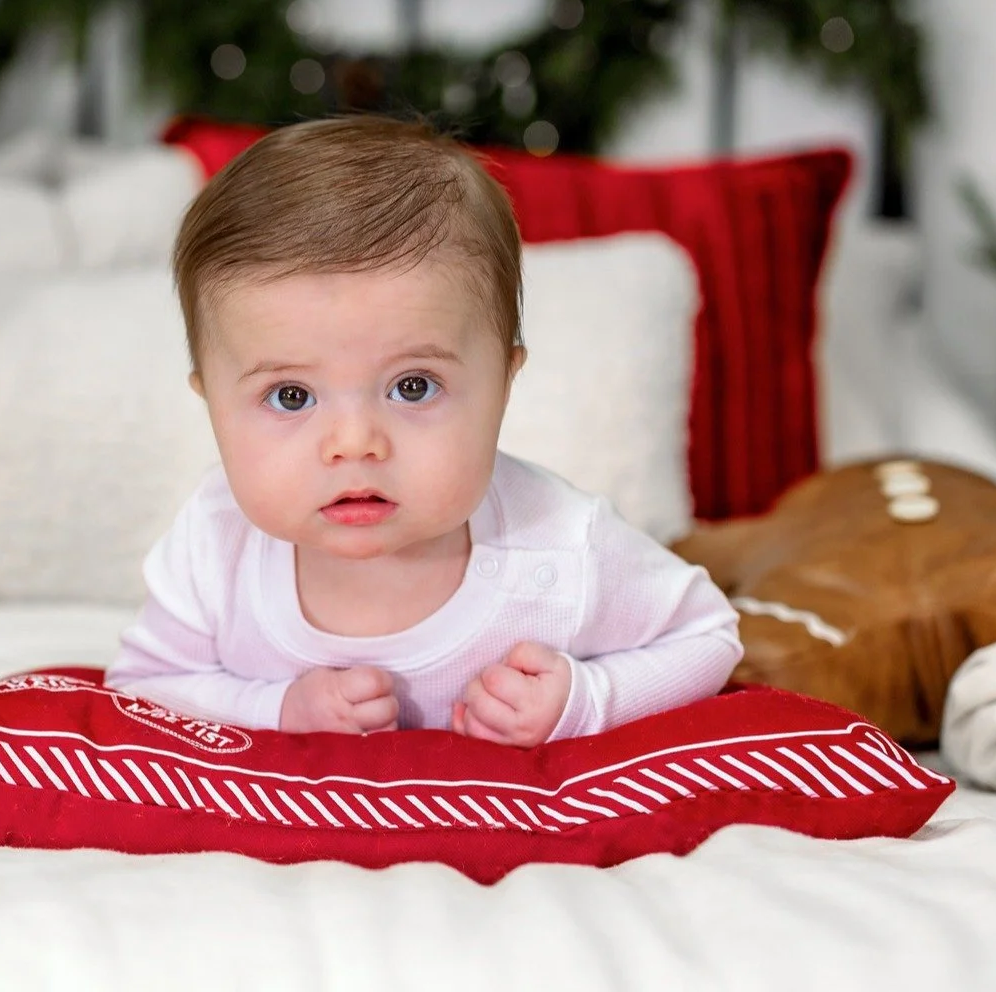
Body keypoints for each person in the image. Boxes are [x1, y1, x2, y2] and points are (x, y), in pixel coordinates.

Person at [104, 116, 741, 748]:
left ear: (504, 382)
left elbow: (708, 637)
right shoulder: (216, 543)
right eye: (291, 396)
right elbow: (143, 684)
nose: (354, 443)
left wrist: (584, 700)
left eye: (413, 386)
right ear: (212, 404)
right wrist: (277, 709)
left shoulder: (562, 545)